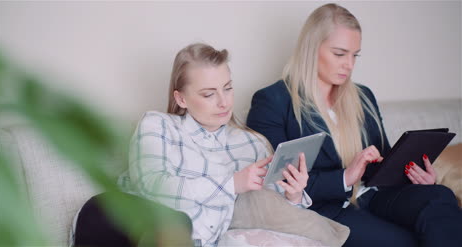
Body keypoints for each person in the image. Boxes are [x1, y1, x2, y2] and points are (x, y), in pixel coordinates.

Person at [246, 3, 462, 247]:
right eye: (340, 54)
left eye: (354, 55)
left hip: (374, 196)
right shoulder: (273, 101)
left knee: (439, 196)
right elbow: (276, 183)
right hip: (325, 208)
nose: (349, 64)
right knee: (403, 240)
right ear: (311, 50)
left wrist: (414, 177)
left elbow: (384, 163)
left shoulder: (363, 96)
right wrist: (345, 178)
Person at [116, 43, 312, 246]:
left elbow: (279, 219)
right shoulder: (158, 126)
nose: (224, 102)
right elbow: (152, 187)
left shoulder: (253, 144)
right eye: (209, 94)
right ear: (181, 98)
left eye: (227, 88)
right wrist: (231, 184)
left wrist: (294, 195)